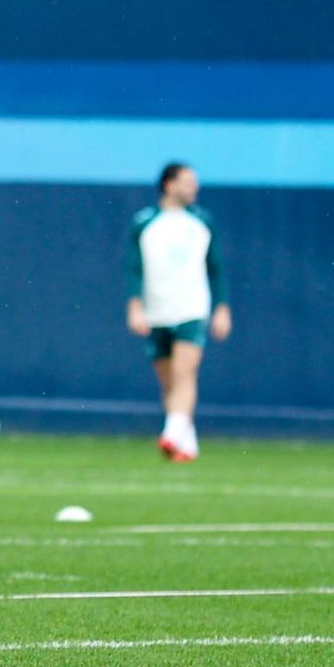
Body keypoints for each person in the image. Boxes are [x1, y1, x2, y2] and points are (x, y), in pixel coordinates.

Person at [127, 162, 232, 462]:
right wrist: (135, 306)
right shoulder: (145, 222)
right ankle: (187, 444)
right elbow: (134, 268)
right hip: (157, 309)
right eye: (187, 181)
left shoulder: (202, 221)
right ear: (169, 184)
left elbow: (216, 269)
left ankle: (172, 433)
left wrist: (222, 308)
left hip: (191, 309)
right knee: (169, 381)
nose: (194, 187)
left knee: (185, 373)